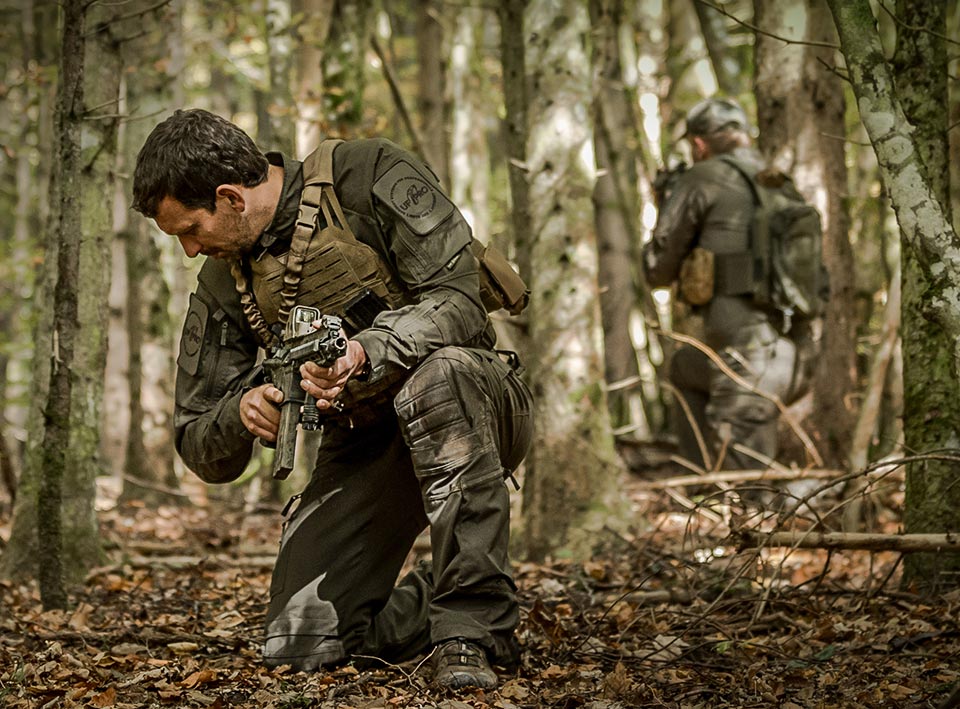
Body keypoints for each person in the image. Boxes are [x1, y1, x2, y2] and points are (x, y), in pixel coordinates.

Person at [132, 108, 534, 690]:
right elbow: (198, 441)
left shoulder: (368, 174)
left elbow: (461, 300)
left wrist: (367, 351)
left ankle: (472, 629)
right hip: (366, 440)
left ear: (230, 198)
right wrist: (242, 411)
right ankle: (446, 589)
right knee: (301, 645)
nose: (190, 252)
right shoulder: (225, 280)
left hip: (476, 404)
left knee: (441, 376)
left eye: (191, 231)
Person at [643, 98, 801, 476]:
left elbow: (657, 271)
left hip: (745, 362)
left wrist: (665, 206)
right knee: (684, 367)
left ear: (699, 145)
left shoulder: (701, 178)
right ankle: (700, 482)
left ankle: (704, 489)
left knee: (748, 500)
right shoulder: (778, 178)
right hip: (795, 353)